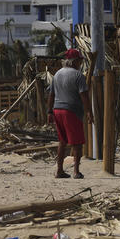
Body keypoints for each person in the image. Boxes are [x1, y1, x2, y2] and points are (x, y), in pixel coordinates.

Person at [47, 49, 94, 179]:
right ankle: (76, 171)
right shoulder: (78, 75)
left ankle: (59, 170)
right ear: (74, 61)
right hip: (71, 111)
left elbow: (51, 95)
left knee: (62, 141)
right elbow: (84, 96)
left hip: (57, 110)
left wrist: (49, 111)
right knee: (77, 143)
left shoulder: (57, 74)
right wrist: (89, 111)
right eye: (79, 60)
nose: (80, 63)